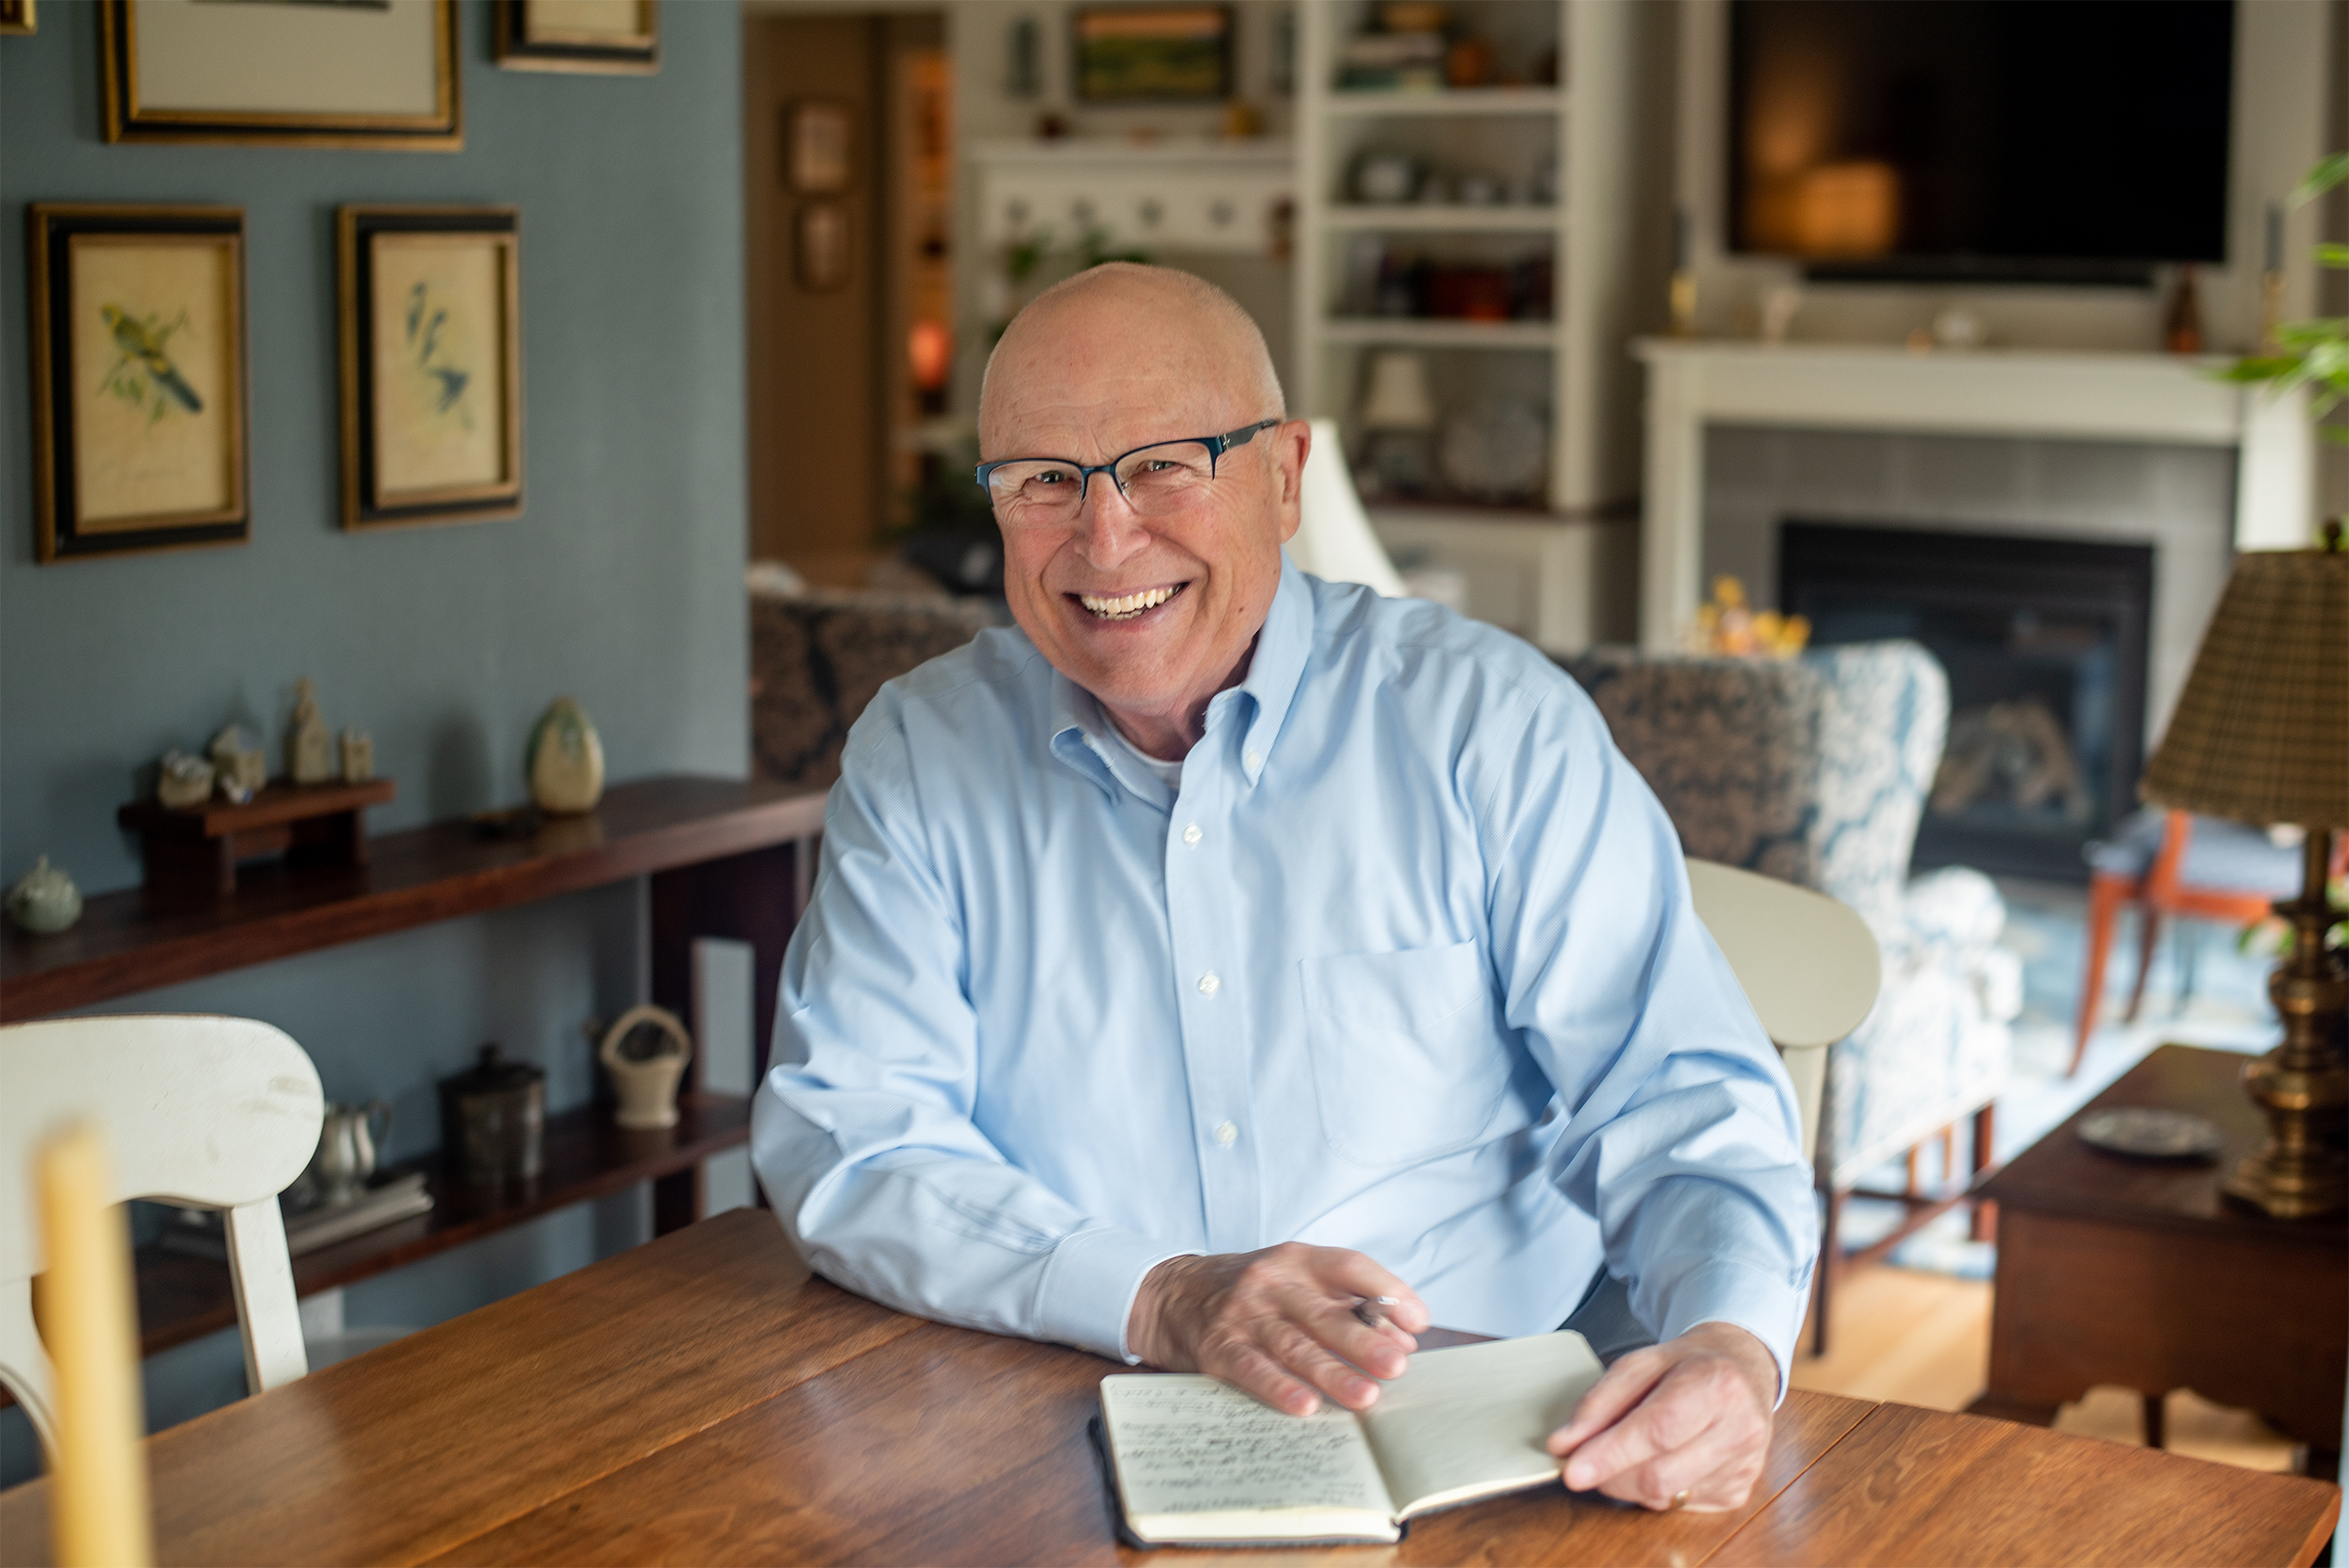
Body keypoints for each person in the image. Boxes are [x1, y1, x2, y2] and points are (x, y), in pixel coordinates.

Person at [752, 264, 1816, 1514]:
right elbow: (850, 1135)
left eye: (1166, 465)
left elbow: (1677, 1096)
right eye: (1043, 479)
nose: (1105, 540)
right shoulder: (920, 753)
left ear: (1286, 473)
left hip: (1474, 1445)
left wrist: (1731, 1345)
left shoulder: (1488, 726)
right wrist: (1158, 1294)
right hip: (1039, 1411)